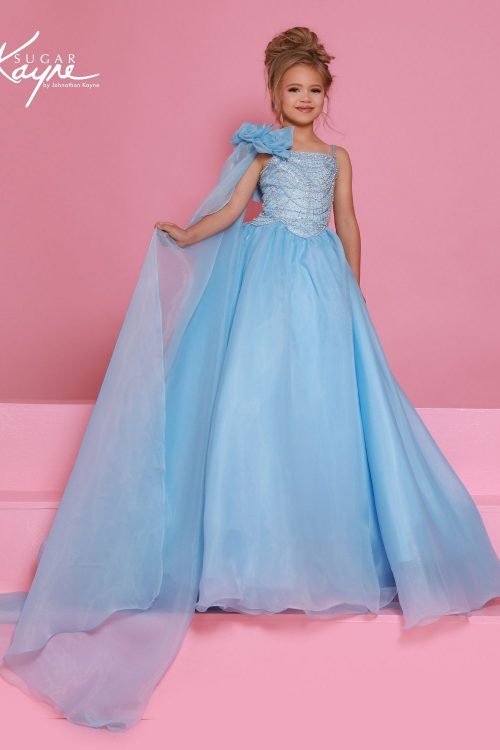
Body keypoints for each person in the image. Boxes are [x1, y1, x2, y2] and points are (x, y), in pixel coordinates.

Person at [1, 25, 499, 733]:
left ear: (327, 95)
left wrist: (353, 289)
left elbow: (348, 222)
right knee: (255, 399)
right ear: (274, 93)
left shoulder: (338, 158)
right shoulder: (263, 151)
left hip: (321, 279)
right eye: (293, 89)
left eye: (314, 90)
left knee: (327, 404)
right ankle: (240, 562)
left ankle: (333, 553)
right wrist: (187, 234)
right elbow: (234, 211)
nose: (304, 99)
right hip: (266, 279)